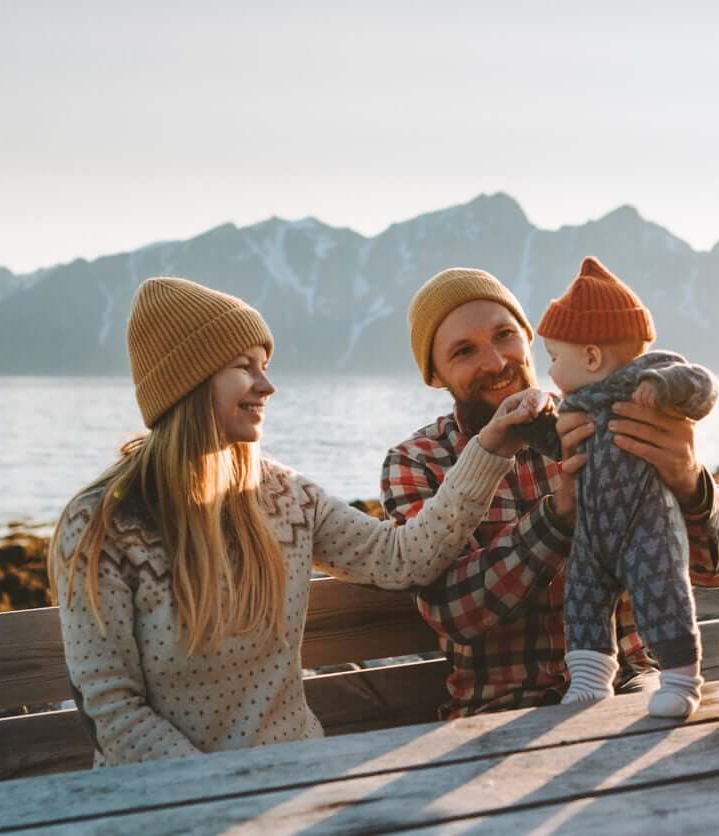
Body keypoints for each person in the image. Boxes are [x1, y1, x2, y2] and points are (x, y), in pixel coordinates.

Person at [49, 277, 546, 767]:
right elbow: (112, 709)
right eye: (245, 367)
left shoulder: (285, 497)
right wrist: (216, 791)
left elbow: (402, 559)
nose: (268, 385)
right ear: (190, 381)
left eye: (264, 366)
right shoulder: (100, 524)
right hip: (170, 804)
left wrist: (489, 449)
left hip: (296, 778)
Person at [381, 266, 719, 719]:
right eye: (464, 351)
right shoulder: (419, 461)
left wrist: (688, 479)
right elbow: (453, 610)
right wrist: (558, 518)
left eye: (505, 335)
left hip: (633, 689)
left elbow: (716, 570)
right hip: (501, 711)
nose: (495, 362)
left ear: (530, 337)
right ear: (435, 374)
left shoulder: (607, 414)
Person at [519, 256, 719, 719]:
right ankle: (589, 682)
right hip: (592, 535)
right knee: (583, 598)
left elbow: (702, 386)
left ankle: (681, 680)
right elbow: (558, 444)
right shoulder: (576, 406)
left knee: (662, 591)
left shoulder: (647, 377)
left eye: (553, 358)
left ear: (591, 356)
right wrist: (531, 424)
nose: (548, 372)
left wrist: (662, 386)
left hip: (644, 524)